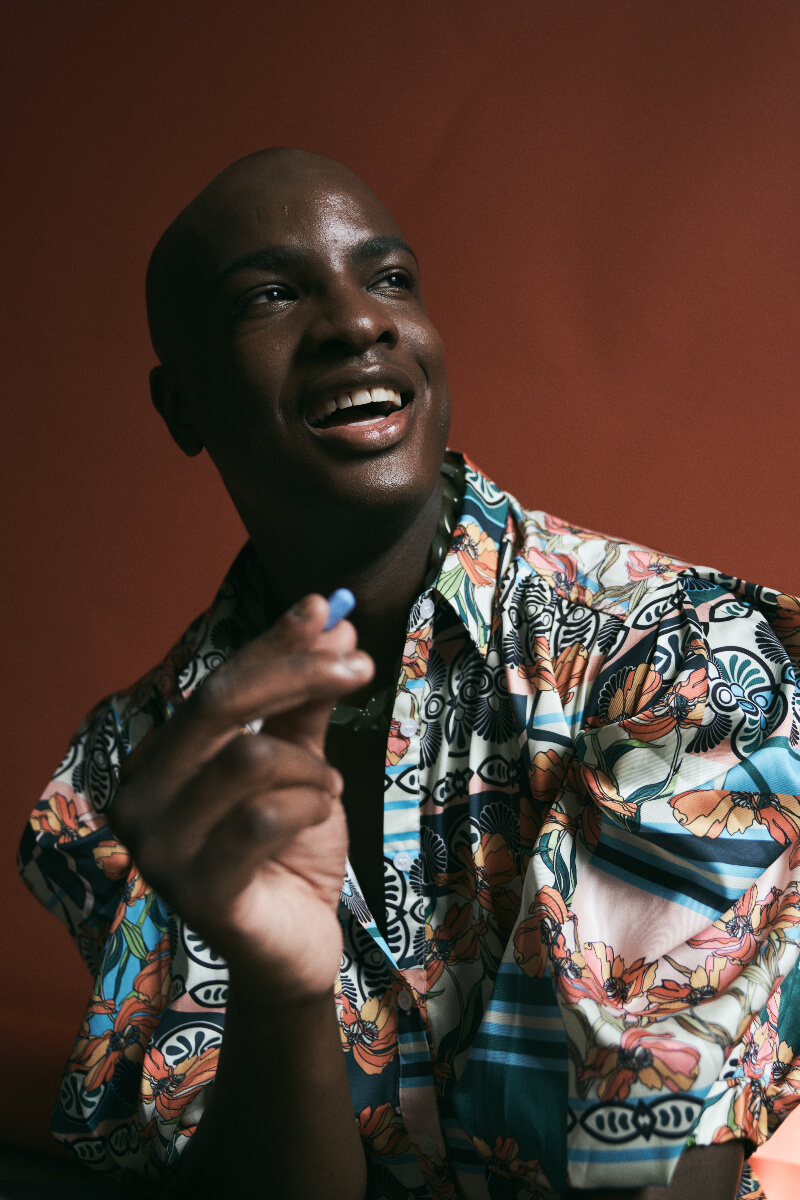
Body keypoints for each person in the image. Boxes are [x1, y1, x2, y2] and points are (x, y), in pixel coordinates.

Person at [19, 148, 800, 1200]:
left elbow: (654, 1173)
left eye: (388, 278)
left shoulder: (679, 661)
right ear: (180, 407)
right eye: (270, 295)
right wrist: (281, 989)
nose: (356, 322)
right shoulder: (130, 778)